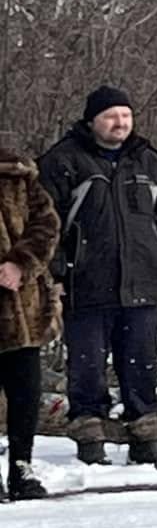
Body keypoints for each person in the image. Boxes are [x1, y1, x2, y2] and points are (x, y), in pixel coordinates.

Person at [38, 86, 157, 468]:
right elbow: (46, 225)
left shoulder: (147, 161)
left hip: (141, 282)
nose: (120, 123)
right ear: (92, 121)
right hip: (85, 283)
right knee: (87, 368)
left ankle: (145, 438)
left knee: (141, 364)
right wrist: (54, 273)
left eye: (125, 115)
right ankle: (90, 440)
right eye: (110, 116)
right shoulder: (63, 160)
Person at [0, 146, 60, 499]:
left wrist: (21, 263)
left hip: (20, 302)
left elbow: (47, 223)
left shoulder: (17, 171)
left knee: (24, 391)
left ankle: (22, 465)